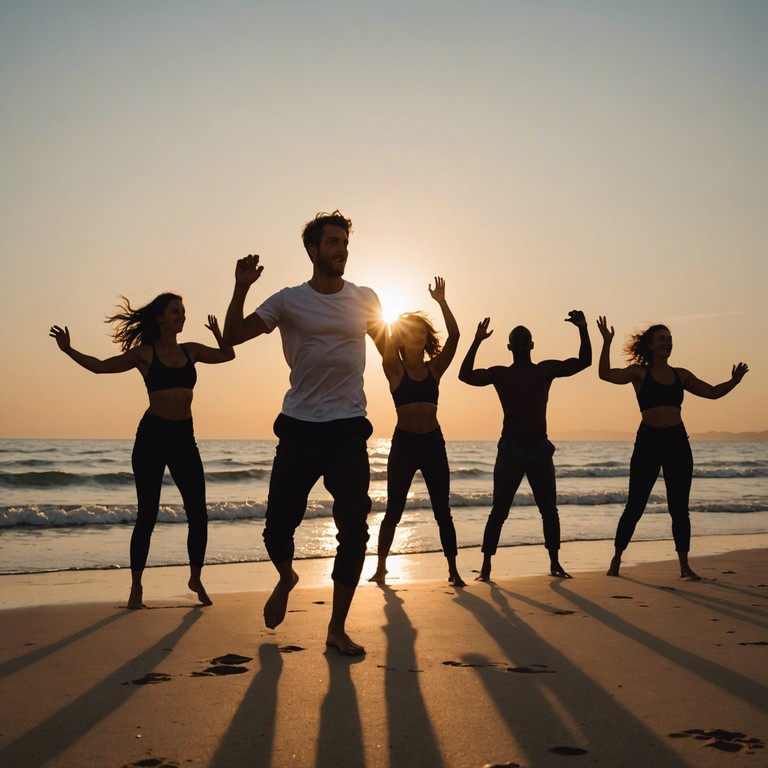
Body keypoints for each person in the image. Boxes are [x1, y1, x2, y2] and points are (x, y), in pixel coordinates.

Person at [223, 210, 386, 656]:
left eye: (344, 243)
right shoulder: (288, 300)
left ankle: (336, 628)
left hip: (349, 429)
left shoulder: (366, 298)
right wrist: (241, 288)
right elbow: (233, 336)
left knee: (354, 529)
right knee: (277, 529)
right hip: (299, 427)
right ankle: (286, 576)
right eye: (333, 243)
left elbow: (388, 350)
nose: (341, 251)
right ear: (313, 251)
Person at [50, 294, 235, 608]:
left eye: (183, 312)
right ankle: (136, 587)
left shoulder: (191, 350)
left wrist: (218, 333)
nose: (182, 316)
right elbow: (100, 367)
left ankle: (195, 577)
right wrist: (68, 350)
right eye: (176, 311)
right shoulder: (145, 354)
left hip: (183, 438)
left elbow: (228, 355)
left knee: (199, 514)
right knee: (147, 514)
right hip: (152, 438)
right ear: (160, 317)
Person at [596, 316, 749, 579]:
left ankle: (684, 566)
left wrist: (733, 381)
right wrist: (606, 343)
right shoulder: (639, 372)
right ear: (650, 345)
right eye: (662, 339)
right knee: (636, 504)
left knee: (679, 507)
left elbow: (712, 392)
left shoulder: (682, 375)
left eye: (669, 339)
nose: (667, 343)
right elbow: (606, 375)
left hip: (677, 442)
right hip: (649, 442)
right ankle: (617, 558)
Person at [459, 311, 591, 581]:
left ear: (532, 345)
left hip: (540, 449)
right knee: (499, 509)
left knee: (549, 509)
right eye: (516, 339)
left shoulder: (545, 370)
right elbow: (465, 376)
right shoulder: (500, 374)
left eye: (525, 338)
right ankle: (486, 567)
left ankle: (554, 562)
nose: (520, 341)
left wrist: (582, 328)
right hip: (511, 450)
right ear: (509, 346)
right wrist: (476, 341)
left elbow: (584, 362)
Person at [368, 277, 464, 586]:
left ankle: (453, 569)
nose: (419, 336)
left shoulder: (434, 370)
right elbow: (378, 332)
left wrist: (442, 301)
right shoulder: (394, 369)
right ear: (401, 338)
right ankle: (381, 567)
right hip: (405, 444)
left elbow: (455, 336)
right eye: (412, 332)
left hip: (433, 443)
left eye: (423, 332)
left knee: (442, 510)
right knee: (394, 510)